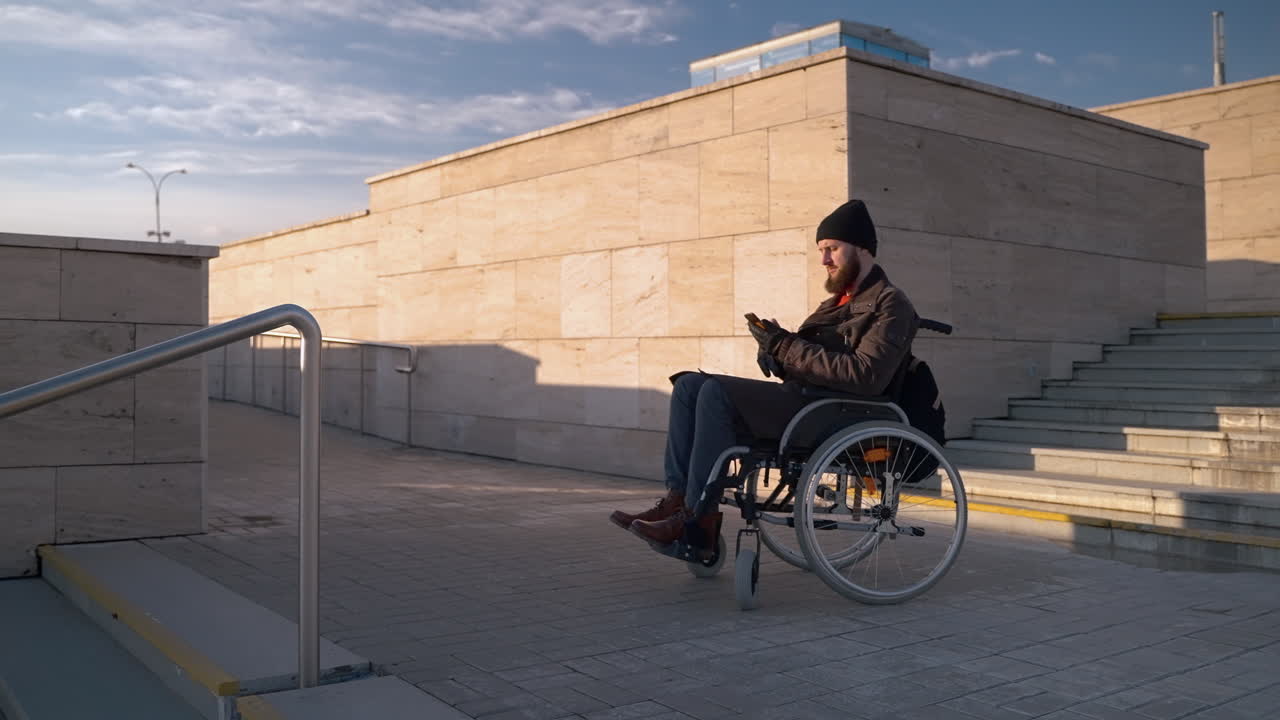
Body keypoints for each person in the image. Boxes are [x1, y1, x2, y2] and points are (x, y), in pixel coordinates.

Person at [609, 198, 920, 553]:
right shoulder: (835, 304)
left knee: (715, 392)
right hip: (807, 401)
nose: (824, 260)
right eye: (821, 250)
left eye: (832, 249)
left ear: (862, 248)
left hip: (837, 413)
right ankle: (677, 500)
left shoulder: (891, 303)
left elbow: (866, 375)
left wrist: (785, 346)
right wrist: (774, 349)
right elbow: (808, 359)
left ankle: (698, 521)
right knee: (689, 385)